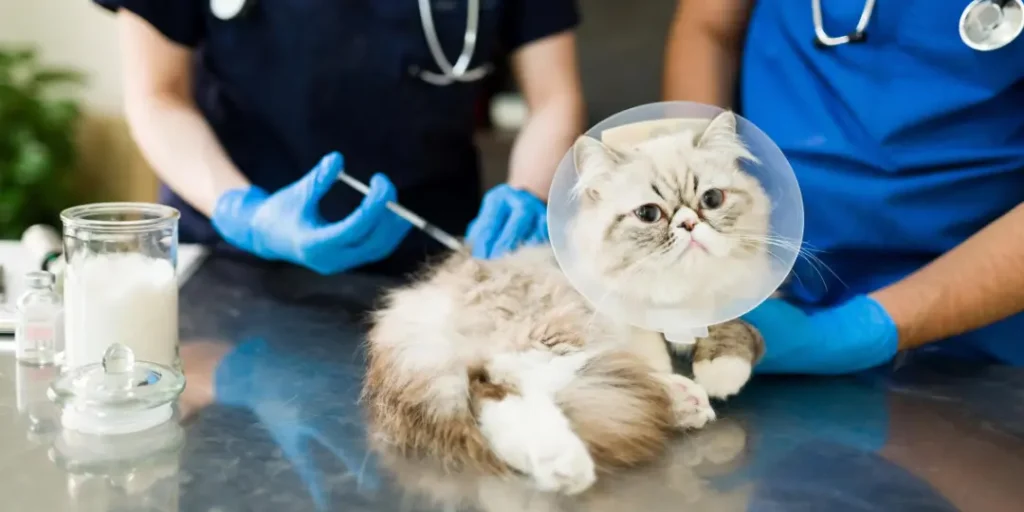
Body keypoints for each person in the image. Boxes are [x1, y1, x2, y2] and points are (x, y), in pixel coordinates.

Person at [93, 0, 584, 275]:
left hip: (437, 255)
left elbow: (554, 98)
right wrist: (243, 212)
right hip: (230, 257)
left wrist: (530, 192)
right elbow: (158, 95)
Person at [663, 0, 1024, 373]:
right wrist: (714, 229)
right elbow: (710, 30)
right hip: (773, 287)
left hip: (984, 338)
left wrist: (861, 331)